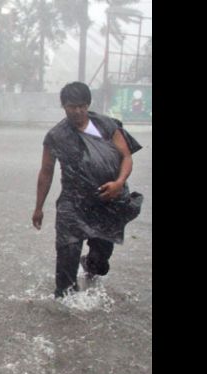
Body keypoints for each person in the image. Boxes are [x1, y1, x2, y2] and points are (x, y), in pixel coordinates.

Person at [32, 82, 143, 298]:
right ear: (63, 106)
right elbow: (46, 171)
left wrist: (119, 183)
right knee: (66, 254)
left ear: (88, 104)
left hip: (107, 200)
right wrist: (38, 208)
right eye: (72, 106)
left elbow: (126, 156)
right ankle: (64, 304)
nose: (78, 111)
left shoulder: (107, 126)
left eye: (82, 106)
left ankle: (90, 265)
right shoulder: (56, 136)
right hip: (72, 203)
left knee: (100, 261)